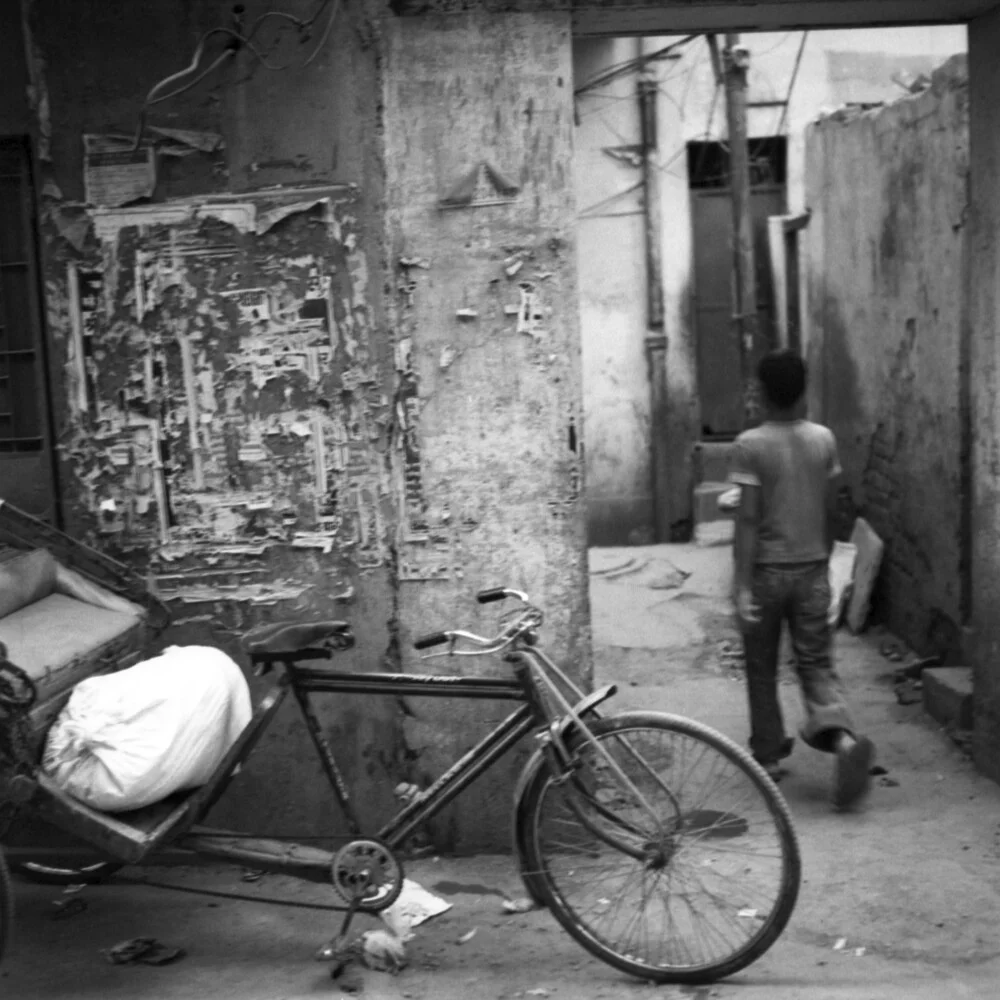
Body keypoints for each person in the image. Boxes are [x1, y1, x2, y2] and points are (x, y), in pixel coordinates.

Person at [728, 348, 874, 810]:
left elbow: (747, 521)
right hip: (812, 570)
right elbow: (832, 506)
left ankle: (768, 755)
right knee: (815, 664)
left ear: (764, 393)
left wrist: (741, 584)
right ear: (802, 391)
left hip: (768, 571)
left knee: (761, 666)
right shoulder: (823, 440)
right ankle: (843, 740)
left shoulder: (750, 445)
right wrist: (828, 557)